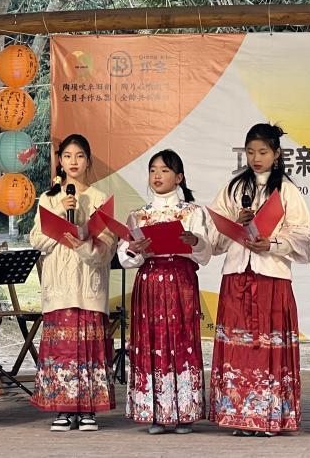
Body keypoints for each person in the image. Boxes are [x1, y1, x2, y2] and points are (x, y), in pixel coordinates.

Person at [207, 123, 310, 437]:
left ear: (276, 154)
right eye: (251, 152)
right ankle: (239, 415)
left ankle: (268, 416)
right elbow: (213, 238)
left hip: (271, 278)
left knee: (268, 348)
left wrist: (272, 243)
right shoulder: (233, 188)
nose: (256, 158)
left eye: (263, 152)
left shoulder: (287, 191)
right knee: (238, 347)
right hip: (237, 276)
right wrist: (234, 222)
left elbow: (302, 235)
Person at [118, 149, 211, 434]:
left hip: (181, 281)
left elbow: (205, 253)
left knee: (182, 341)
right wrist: (133, 249)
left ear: (179, 177)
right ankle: (155, 413)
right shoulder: (138, 215)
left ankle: (185, 412)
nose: (157, 176)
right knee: (151, 341)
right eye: (153, 170)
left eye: (165, 170)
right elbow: (125, 258)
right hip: (149, 283)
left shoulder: (193, 212)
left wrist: (194, 241)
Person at [29, 134, 116, 431]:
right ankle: (63, 409)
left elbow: (107, 248)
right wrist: (59, 216)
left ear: (88, 161)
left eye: (79, 156)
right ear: (60, 161)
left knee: (89, 348)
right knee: (62, 349)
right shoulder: (49, 198)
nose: (73, 162)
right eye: (67, 156)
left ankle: (89, 409)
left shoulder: (100, 199)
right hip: (59, 287)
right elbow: (37, 239)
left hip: (89, 286)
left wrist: (83, 242)